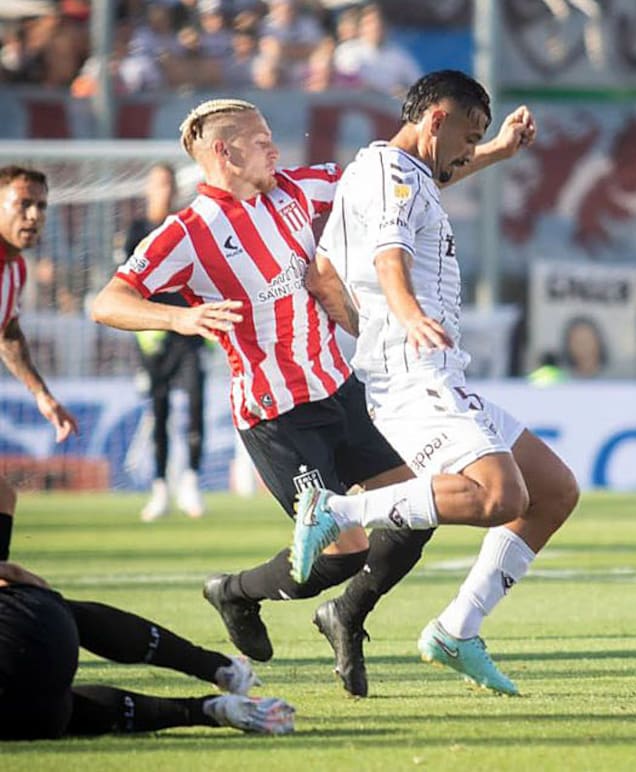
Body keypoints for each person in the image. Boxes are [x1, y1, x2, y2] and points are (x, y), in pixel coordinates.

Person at [89, 98, 530, 692]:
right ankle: (235, 592)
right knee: (343, 552)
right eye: (263, 140)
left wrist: (496, 150)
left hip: (340, 391)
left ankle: (347, 616)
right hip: (276, 416)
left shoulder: (298, 191)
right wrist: (178, 321)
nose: (276, 149)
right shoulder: (186, 232)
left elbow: (406, 172)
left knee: (419, 509)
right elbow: (107, 301)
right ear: (225, 151)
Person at [307, 70, 579, 696]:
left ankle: (456, 629)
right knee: (500, 497)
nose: (469, 146)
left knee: (554, 491)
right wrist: (403, 314)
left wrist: (499, 152)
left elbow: (326, 271)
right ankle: (335, 512)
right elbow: (387, 257)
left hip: (436, 373)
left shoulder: (394, 173)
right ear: (434, 119)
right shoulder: (394, 176)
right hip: (412, 373)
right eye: (469, 132)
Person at [0, 521, 293, 738]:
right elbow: (6, 497)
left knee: (61, 713)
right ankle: (219, 668)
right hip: (35, 634)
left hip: (31, 722)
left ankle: (208, 711)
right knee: (41, 605)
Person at [0, 166, 79, 564]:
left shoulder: (14, 269)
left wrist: (41, 394)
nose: (33, 215)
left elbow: (8, 332)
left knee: (3, 497)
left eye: (41, 206)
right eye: (23, 204)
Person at [123, 163, 207, 521]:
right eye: (158, 183)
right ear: (147, 188)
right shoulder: (137, 231)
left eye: (168, 183)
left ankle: (190, 482)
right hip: (152, 338)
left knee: (196, 404)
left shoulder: (183, 227)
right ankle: (159, 488)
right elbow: (127, 285)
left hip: (188, 334)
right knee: (159, 412)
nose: (164, 189)